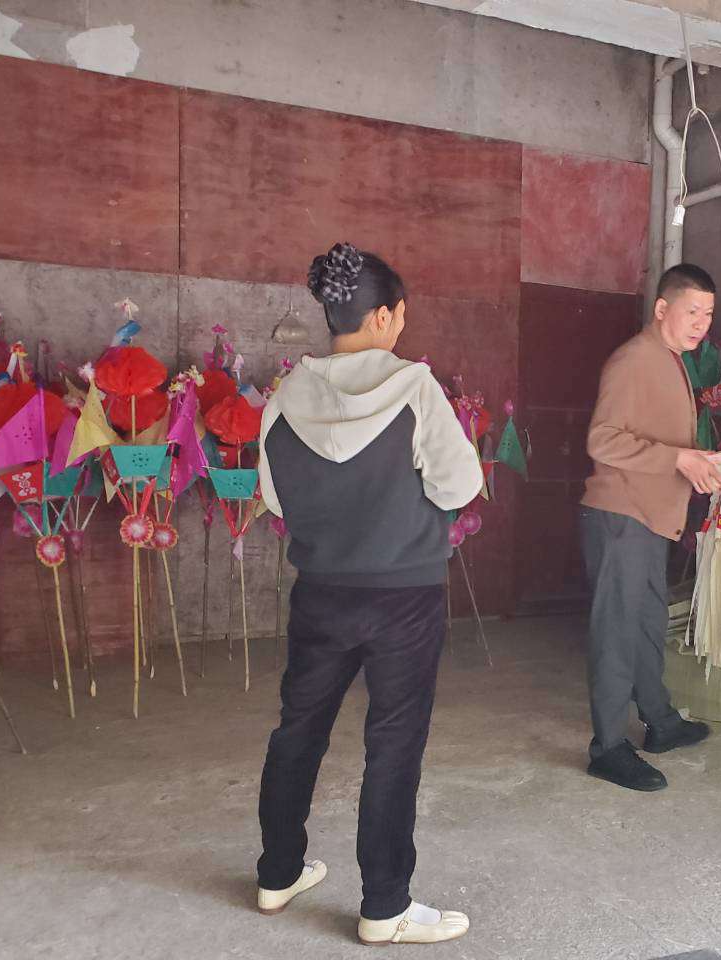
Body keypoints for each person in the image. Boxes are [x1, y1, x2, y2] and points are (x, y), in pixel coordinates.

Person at [255, 242, 482, 946]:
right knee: (393, 745)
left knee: (298, 731)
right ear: (381, 317)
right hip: (403, 596)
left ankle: (277, 873)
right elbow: (460, 484)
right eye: (400, 315)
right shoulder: (414, 388)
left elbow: (276, 499)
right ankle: (384, 906)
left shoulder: (284, 398)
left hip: (320, 594)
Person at [579, 263, 721, 791]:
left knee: (646, 623)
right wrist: (678, 458)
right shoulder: (634, 359)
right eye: (693, 311)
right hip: (621, 515)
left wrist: (703, 460)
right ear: (662, 308)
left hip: (650, 517)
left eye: (708, 314)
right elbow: (602, 440)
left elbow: (664, 442)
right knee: (617, 631)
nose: (701, 323)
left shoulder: (672, 360)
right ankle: (608, 747)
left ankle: (659, 721)